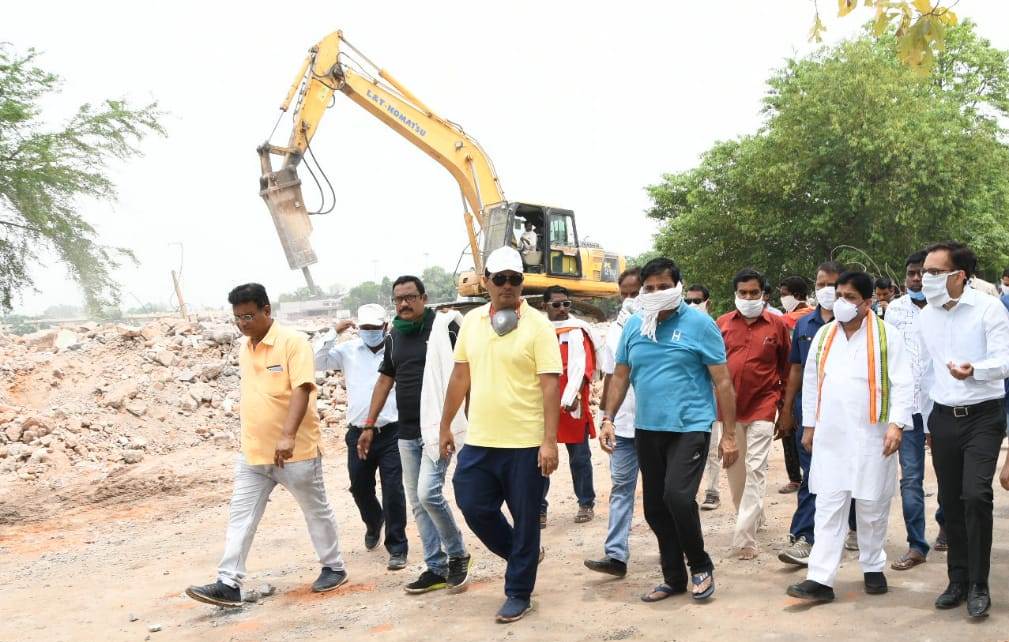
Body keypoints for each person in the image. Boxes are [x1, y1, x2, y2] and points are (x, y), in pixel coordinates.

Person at [185, 284, 347, 607]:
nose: (243, 324)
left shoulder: (293, 343)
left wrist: (287, 435)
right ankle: (228, 582)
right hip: (253, 454)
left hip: (295, 452)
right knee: (241, 515)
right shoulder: (246, 348)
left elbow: (302, 389)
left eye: (248, 316)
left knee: (315, 510)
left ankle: (333, 566)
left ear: (266, 310)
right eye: (237, 318)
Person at [604, 257, 738, 603]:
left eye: (663, 286)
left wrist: (730, 434)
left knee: (678, 497)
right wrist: (607, 417)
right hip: (647, 428)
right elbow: (620, 375)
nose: (655, 292)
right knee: (654, 508)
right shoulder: (636, 326)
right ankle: (674, 577)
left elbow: (722, 381)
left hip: (689, 426)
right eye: (649, 288)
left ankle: (700, 564)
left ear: (678, 286)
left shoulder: (699, 324)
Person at [440, 246, 562, 624]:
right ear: (486, 281)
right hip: (480, 440)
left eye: (515, 279)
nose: (508, 286)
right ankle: (520, 554)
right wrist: (445, 425)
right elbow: (461, 376)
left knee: (527, 519)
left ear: (521, 283)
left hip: (525, 443)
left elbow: (550, 385)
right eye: (500, 279)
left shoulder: (539, 325)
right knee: (472, 502)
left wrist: (549, 441)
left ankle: (518, 592)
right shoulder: (472, 321)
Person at [786, 271, 913, 603]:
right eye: (838, 294)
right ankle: (820, 579)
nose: (841, 302)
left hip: (874, 434)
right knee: (829, 503)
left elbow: (903, 382)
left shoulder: (887, 336)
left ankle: (872, 566)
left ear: (867, 302)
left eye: (850, 297)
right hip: (832, 434)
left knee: (872, 504)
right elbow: (812, 382)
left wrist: (897, 424)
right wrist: (810, 426)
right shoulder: (825, 335)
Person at [917, 241, 1009, 618]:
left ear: (960, 275)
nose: (927, 278)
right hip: (942, 417)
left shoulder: (989, 308)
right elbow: (924, 371)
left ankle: (978, 583)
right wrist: (925, 422)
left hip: (983, 417)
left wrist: (976, 369)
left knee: (975, 496)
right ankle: (956, 579)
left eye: (935, 272)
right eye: (925, 271)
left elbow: (1004, 361)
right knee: (950, 500)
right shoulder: (927, 316)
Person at [362, 276, 471, 594]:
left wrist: (459, 420)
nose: (404, 304)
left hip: (440, 427)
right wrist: (369, 424)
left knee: (429, 493)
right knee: (418, 502)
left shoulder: (444, 328)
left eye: (410, 297)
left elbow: (466, 373)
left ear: (424, 298)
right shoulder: (395, 335)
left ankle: (458, 554)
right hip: (406, 432)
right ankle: (436, 567)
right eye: (398, 299)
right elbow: (385, 380)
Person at [313, 304, 407, 565]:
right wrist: (334, 331)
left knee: (394, 490)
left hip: (391, 432)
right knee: (359, 487)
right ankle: (374, 519)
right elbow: (316, 361)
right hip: (357, 433)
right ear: (358, 328)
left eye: (375, 328)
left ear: (385, 327)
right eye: (365, 328)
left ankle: (397, 546)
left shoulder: (395, 350)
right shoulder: (347, 351)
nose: (370, 332)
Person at [716, 268, 792, 560]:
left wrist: (784, 409)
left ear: (764, 294)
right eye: (742, 293)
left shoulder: (777, 325)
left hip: (763, 405)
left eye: (754, 293)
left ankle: (745, 536)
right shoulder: (721, 324)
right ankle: (751, 516)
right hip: (728, 411)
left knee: (756, 469)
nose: (748, 298)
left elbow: (787, 368)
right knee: (735, 471)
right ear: (735, 294)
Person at [776, 261, 844, 566]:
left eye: (832, 284)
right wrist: (787, 409)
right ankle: (804, 536)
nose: (826, 290)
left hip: (846, 413)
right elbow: (796, 369)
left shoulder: (857, 322)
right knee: (813, 475)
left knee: (845, 474)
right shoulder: (803, 325)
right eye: (820, 284)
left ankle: (848, 528)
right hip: (810, 414)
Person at [882, 251, 943, 571]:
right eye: (912, 273)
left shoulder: (947, 308)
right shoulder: (894, 310)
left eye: (923, 273)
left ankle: (946, 524)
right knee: (911, 478)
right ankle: (917, 544)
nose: (917, 278)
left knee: (948, 473)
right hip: (907, 408)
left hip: (942, 405)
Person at [585, 267, 642, 578]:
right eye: (626, 294)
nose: (631, 299)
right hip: (623, 425)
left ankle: (676, 552)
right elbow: (611, 377)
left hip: (657, 426)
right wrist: (606, 418)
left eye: (637, 293)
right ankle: (616, 555)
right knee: (621, 487)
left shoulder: (663, 326)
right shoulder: (617, 332)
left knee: (665, 494)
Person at [541, 285, 596, 526]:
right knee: (540, 460)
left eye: (566, 304)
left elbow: (586, 366)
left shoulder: (579, 331)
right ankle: (538, 508)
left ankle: (586, 503)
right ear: (545, 306)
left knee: (580, 458)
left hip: (572, 404)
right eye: (556, 304)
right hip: (542, 404)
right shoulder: (537, 332)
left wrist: (574, 393)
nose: (562, 309)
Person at [686, 284, 728, 511]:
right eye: (688, 301)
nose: (692, 305)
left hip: (709, 397)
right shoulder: (679, 328)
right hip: (685, 399)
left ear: (707, 302)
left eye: (697, 300)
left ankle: (712, 491)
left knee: (711, 447)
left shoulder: (714, 327)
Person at [776, 276, 811, 493]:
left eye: (784, 294)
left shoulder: (795, 321)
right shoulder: (788, 319)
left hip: (797, 380)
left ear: (796, 296)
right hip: (791, 380)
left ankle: (800, 477)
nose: (782, 298)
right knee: (790, 428)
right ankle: (798, 477)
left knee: (794, 430)